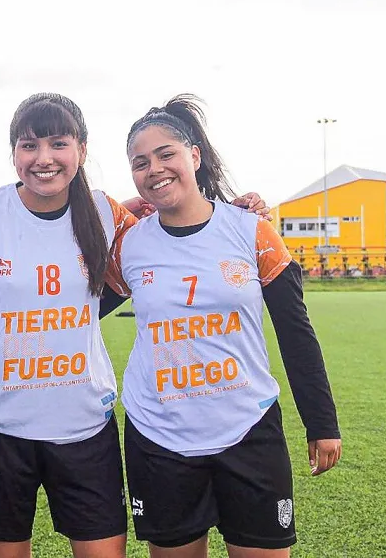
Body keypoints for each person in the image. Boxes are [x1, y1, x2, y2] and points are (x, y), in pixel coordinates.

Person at [0, 93, 271, 558]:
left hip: (84, 426)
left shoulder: (107, 215)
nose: (44, 159)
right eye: (28, 145)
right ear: (14, 154)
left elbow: (177, 229)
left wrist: (238, 214)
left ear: (81, 149)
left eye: (58, 144)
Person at [106, 94, 342, 558]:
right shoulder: (129, 243)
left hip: (248, 428)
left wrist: (321, 422)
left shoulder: (251, 230)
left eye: (166, 154)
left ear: (194, 155)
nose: (154, 168)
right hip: (159, 433)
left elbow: (296, 332)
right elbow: (78, 309)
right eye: (140, 162)